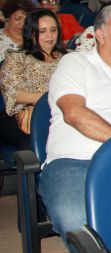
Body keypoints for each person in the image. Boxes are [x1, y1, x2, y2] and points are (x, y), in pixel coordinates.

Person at [39, 5, 111, 241]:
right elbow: (74, 113)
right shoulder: (75, 63)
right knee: (75, 219)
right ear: (99, 35)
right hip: (75, 161)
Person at [0, 9, 66, 150]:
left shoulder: (70, 58)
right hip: (22, 116)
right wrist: (55, 98)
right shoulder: (16, 58)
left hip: (63, 112)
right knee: (42, 141)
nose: (49, 36)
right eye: (42, 31)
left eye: (53, 30)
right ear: (31, 33)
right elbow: (14, 93)